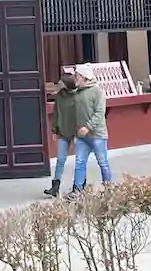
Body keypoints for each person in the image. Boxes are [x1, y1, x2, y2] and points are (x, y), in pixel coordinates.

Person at [47, 67, 111, 196]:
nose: (75, 78)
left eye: (77, 76)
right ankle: (77, 189)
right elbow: (64, 112)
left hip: (96, 134)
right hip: (81, 135)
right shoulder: (77, 92)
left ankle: (108, 187)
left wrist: (87, 127)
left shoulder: (97, 91)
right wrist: (57, 129)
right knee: (79, 163)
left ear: (84, 78)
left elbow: (100, 113)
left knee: (102, 162)